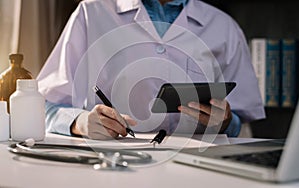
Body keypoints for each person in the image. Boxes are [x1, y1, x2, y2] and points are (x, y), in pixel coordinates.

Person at [37, 0, 265, 140]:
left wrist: (225, 121)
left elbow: (241, 123)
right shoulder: (90, 13)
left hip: (197, 169)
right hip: (110, 166)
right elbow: (43, 107)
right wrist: (80, 122)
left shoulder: (224, 27)